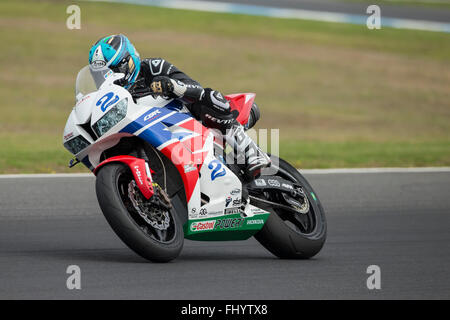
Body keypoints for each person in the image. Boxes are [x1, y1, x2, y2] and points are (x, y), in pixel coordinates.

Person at [89, 34, 270, 177]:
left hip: (190, 120)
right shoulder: (113, 97)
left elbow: (195, 87)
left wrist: (173, 86)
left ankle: (252, 153)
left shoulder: (152, 66)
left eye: (113, 71)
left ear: (127, 62)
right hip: (157, 132)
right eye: (100, 75)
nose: (107, 79)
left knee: (211, 97)